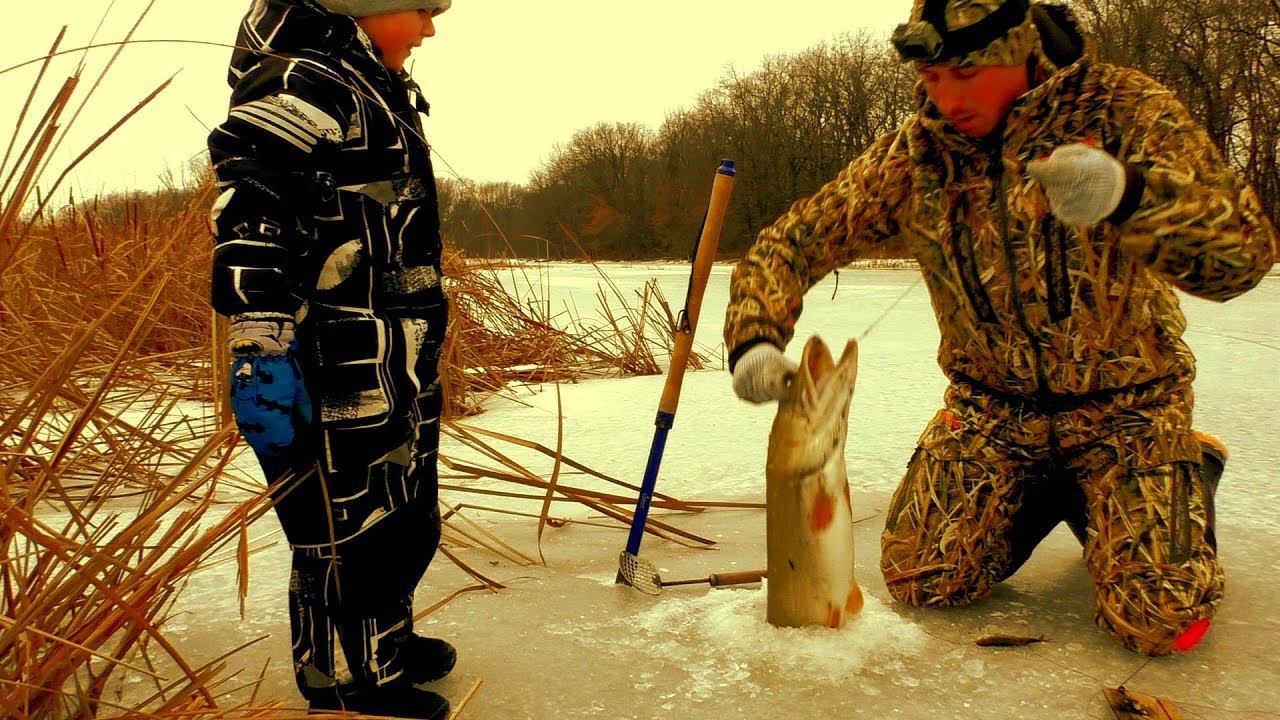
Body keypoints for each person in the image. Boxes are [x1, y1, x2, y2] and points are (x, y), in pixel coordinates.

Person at [724, 0, 1276, 656]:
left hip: (1131, 413)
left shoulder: (1125, 109)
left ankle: (1188, 470)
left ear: (1015, 49)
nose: (946, 98)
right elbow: (792, 242)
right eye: (931, 79)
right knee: (919, 577)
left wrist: (1130, 196)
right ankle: (1052, 495)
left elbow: (1242, 259)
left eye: (964, 74)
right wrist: (754, 337)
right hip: (992, 418)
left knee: (1163, 622)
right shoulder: (918, 156)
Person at [208, 1, 455, 715]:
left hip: (396, 351)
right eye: (420, 10)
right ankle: (349, 682)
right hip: (336, 351)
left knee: (402, 503)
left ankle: (389, 643)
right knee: (342, 519)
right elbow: (252, 208)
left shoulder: (369, 80)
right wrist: (261, 340)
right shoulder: (302, 80)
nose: (429, 30)